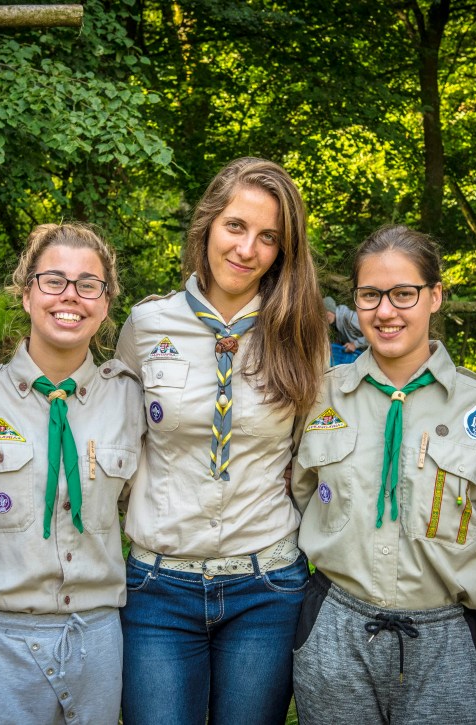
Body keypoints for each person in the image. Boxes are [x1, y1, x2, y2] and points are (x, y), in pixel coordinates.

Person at [116, 157, 327, 724]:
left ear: (283, 251)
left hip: (266, 587)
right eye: (235, 226)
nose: (247, 249)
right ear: (207, 224)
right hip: (158, 585)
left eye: (268, 237)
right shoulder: (147, 325)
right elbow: (120, 439)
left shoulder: (303, 334)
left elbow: (310, 455)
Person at [291, 225, 476, 724]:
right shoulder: (319, 396)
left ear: (435, 296)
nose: (385, 311)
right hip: (336, 628)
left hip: (448, 640)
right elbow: (297, 494)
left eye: (403, 294)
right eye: (370, 295)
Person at [0, 223, 144, 724]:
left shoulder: (130, 399)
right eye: (53, 281)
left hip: (97, 644)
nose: (69, 296)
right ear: (26, 293)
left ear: (106, 302)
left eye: (88, 285)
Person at [323, 294, 366, 365]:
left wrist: (355, 345)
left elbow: (372, 334)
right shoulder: (336, 323)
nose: (323, 317)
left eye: (324, 313)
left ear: (331, 311)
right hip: (358, 356)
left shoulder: (349, 317)